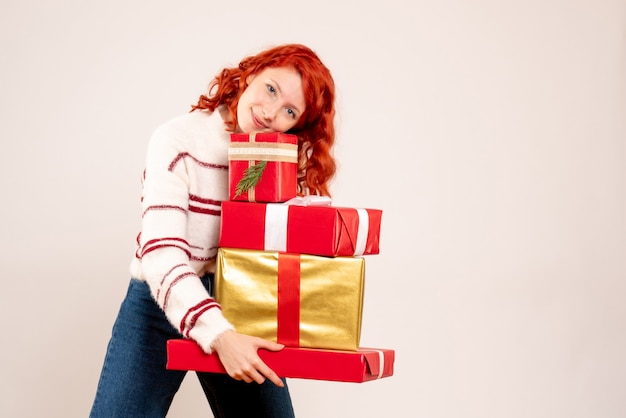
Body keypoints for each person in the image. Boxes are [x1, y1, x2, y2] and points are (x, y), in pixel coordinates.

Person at [89, 44, 336, 418]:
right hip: (158, 299)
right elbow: (161, 254)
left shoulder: (277, 160)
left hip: (237, 302)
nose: (270, 113)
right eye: (271, 89)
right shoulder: (177, 140)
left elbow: (272, 256)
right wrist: (220, 336)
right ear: (251, 73)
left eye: (290, 111)